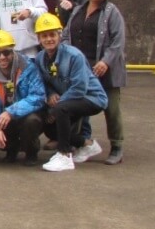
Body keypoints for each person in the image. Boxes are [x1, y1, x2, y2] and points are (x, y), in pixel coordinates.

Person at [63, 0, 127, 165]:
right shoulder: (78, 10)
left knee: (112, 109)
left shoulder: (111, 12)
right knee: (79, 108)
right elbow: (66, 35)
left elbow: (118, 42)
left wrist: (105, 62)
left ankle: (116, 147)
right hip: (82, 70)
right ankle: (80, 144)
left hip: (104, 70)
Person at [31, 13, 108, 172]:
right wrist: (51, 94)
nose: (49, 39)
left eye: (52, 35)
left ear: (59, 36)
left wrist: (57, 105)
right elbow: (43, 82)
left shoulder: (74, 55)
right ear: (38, 39)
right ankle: (88, 145)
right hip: (67, 100)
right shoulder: (39, 58)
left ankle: (64, 155)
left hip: (92, 98)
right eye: (44, 36)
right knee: (49, 124)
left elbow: (80, 87)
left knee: (60, 110)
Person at [0, 29, 46, 166]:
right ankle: (11, 149)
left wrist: (11, 112)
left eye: (6, 52)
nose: (2, 57)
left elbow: (38, 96)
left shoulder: (28, 67)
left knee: (31, 121)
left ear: (13, 50)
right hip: (4, 118)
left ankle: (31, 151)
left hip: (24, 115)